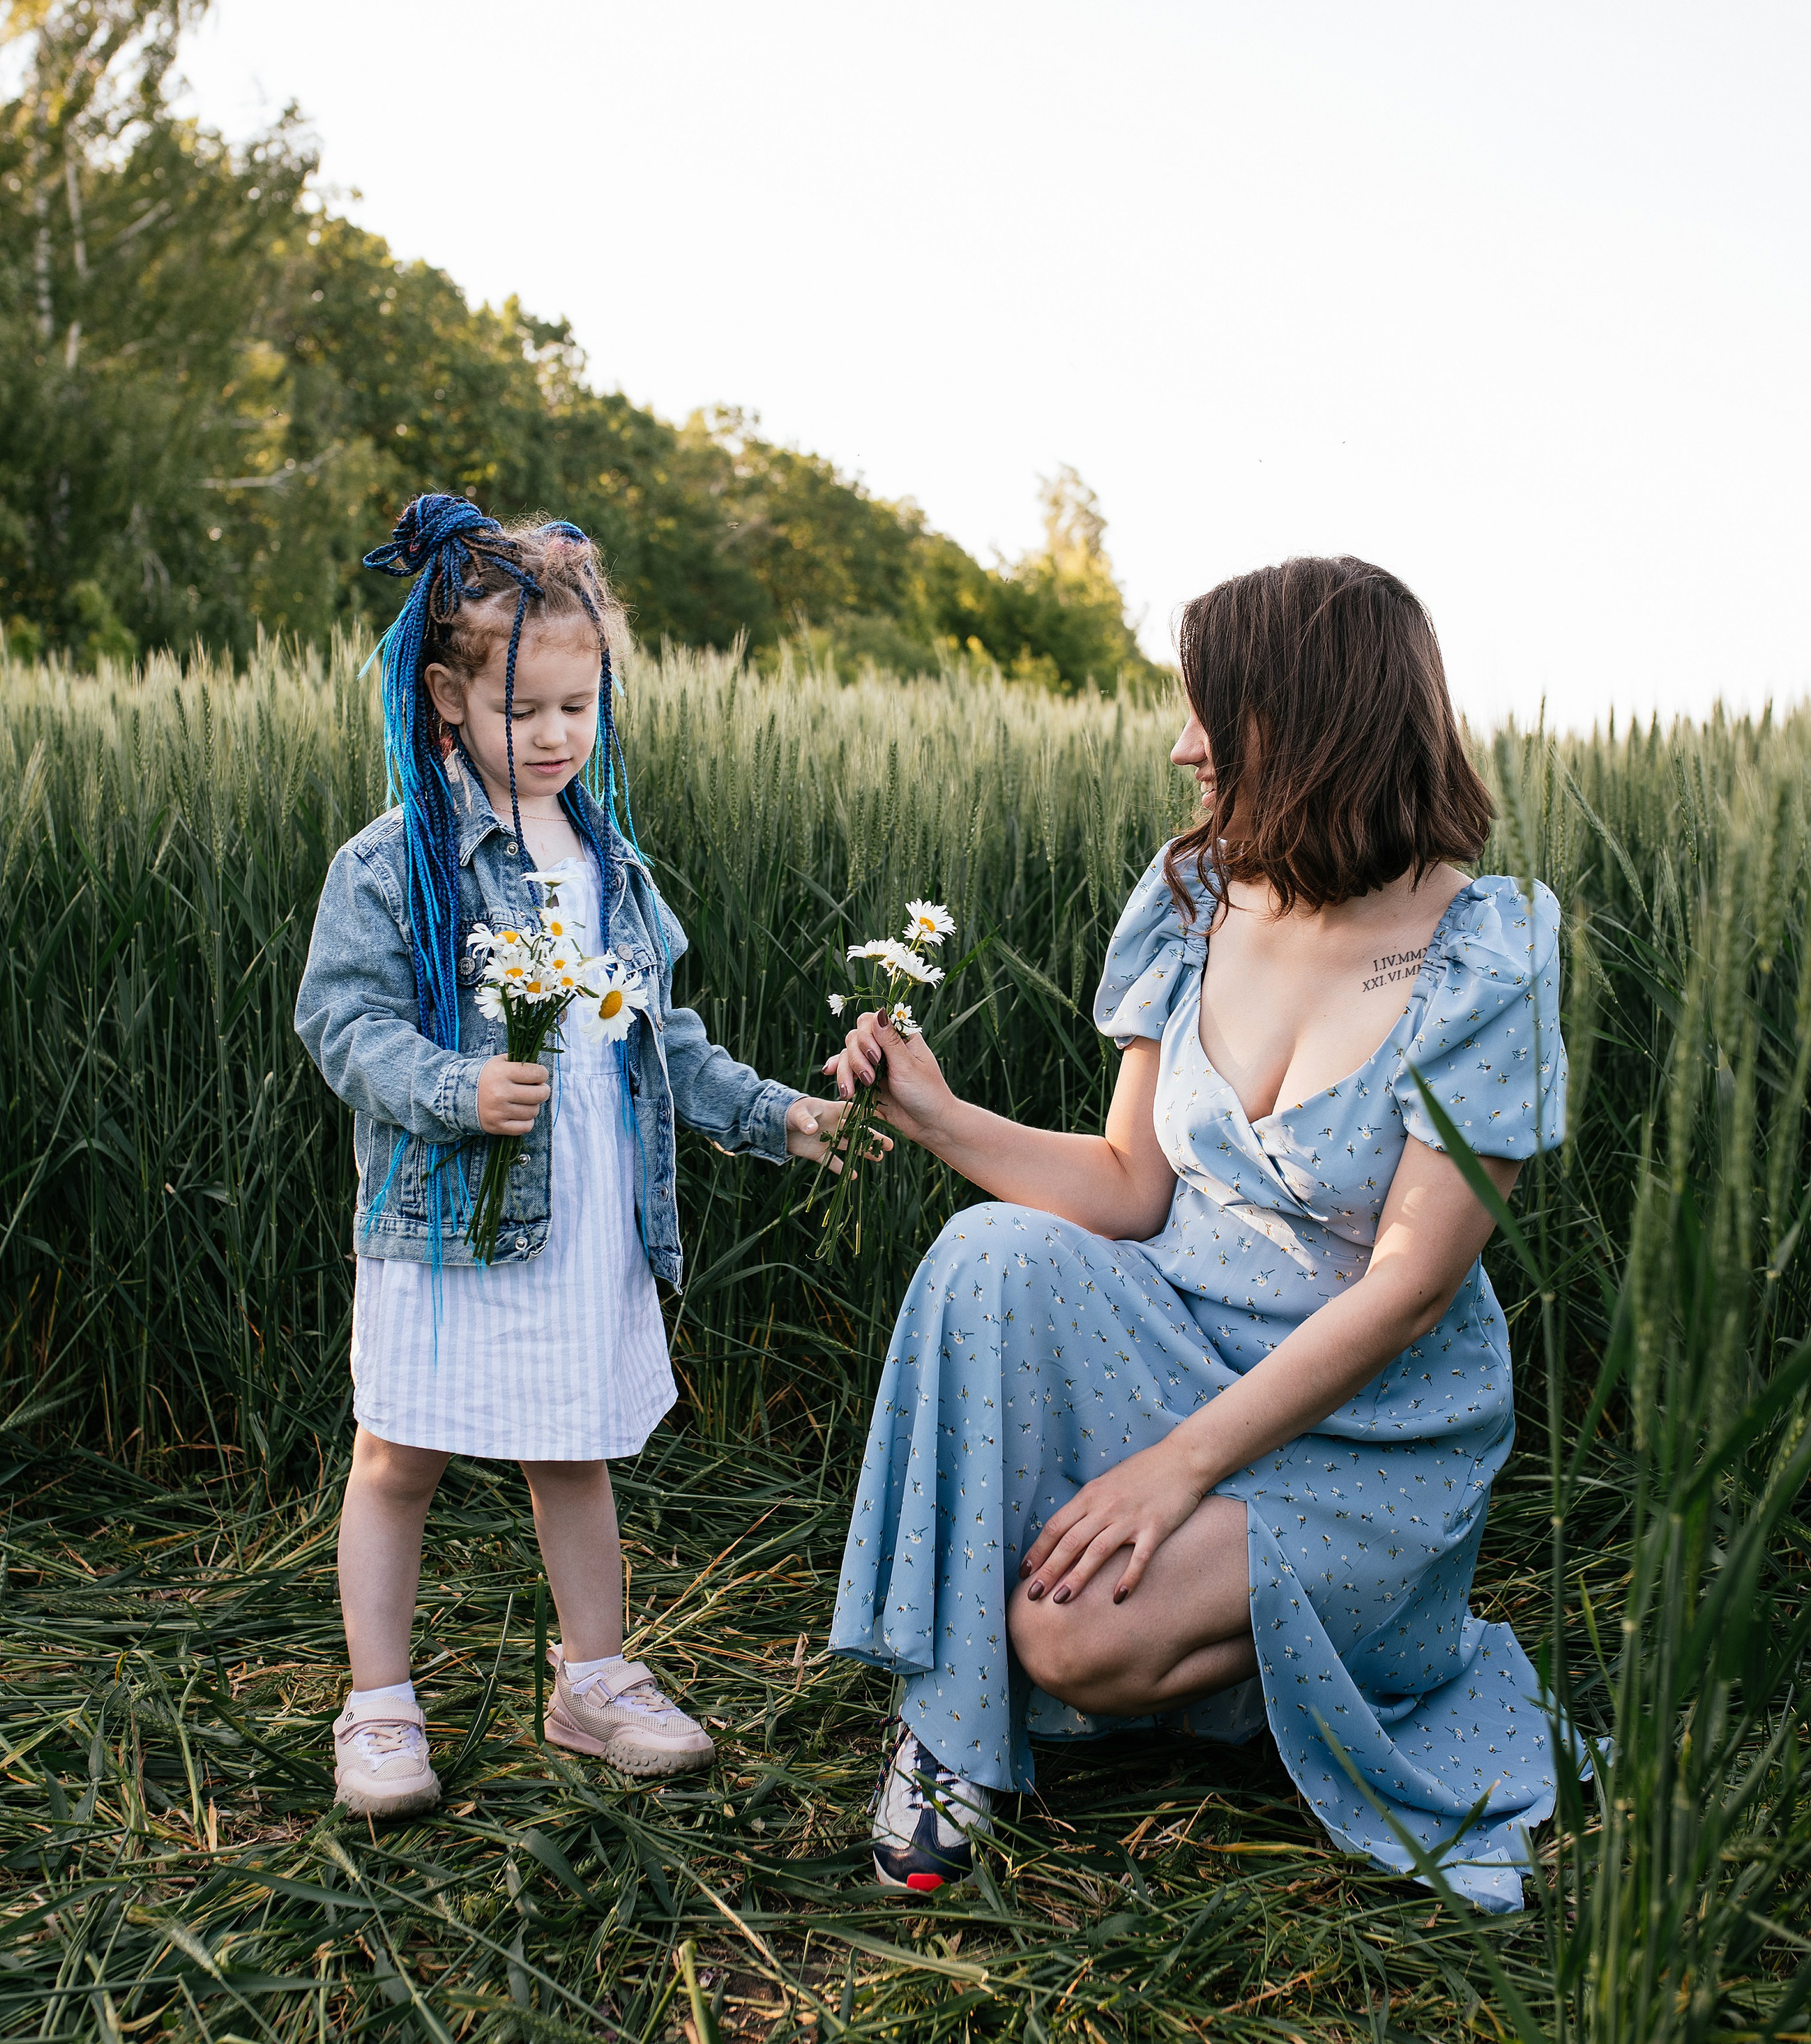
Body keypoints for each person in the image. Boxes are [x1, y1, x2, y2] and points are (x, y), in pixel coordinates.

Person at [827, 555, 1567, 1912]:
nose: (1183, 747)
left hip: (1366, 1429)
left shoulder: (1485, 955)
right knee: (986, 1251)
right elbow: (1129, 1186)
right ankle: (950, 1740)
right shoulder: (1194, 901)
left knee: (1067, 1638)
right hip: (1173, 1341)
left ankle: (1271, 1670)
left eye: (1211, 711)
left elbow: (1406, 1291)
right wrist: (939, 1117)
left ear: (1313, 715)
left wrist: (1172, 1472)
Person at [296, 494, 843, 1818]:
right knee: (397, 1453)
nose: (553, 738)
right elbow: (340, 1022)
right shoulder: (393, 867)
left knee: (571, 1449)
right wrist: (454, 1086)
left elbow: (669, 1045)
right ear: (444, 697)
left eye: (577, 709)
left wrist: (782, 1116)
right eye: (520, 710)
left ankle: (591, 1680)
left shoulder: (612, 865)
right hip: (447, 1209)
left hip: (586, 1209)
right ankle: (378, 1707)